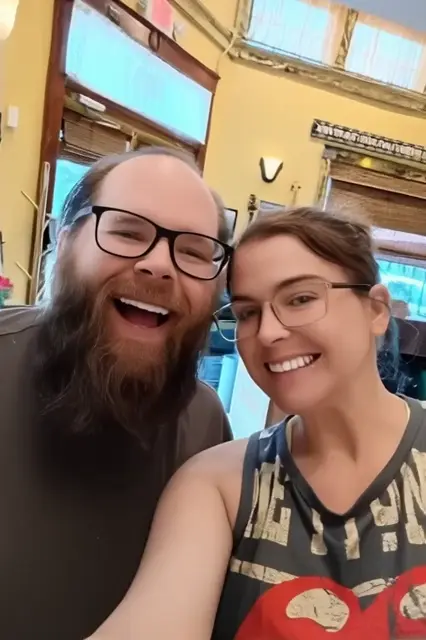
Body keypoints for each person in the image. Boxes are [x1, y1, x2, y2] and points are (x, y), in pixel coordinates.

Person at [88, 206, 426, 640]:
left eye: (300, 299)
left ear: (376, 310)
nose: (267, 333)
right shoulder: (217, 485)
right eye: (247, 312)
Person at [0, 147, 233, 639]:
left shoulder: (206, 427)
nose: (159, 265)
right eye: (127, 232)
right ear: (64, 243)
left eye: (194, 252)